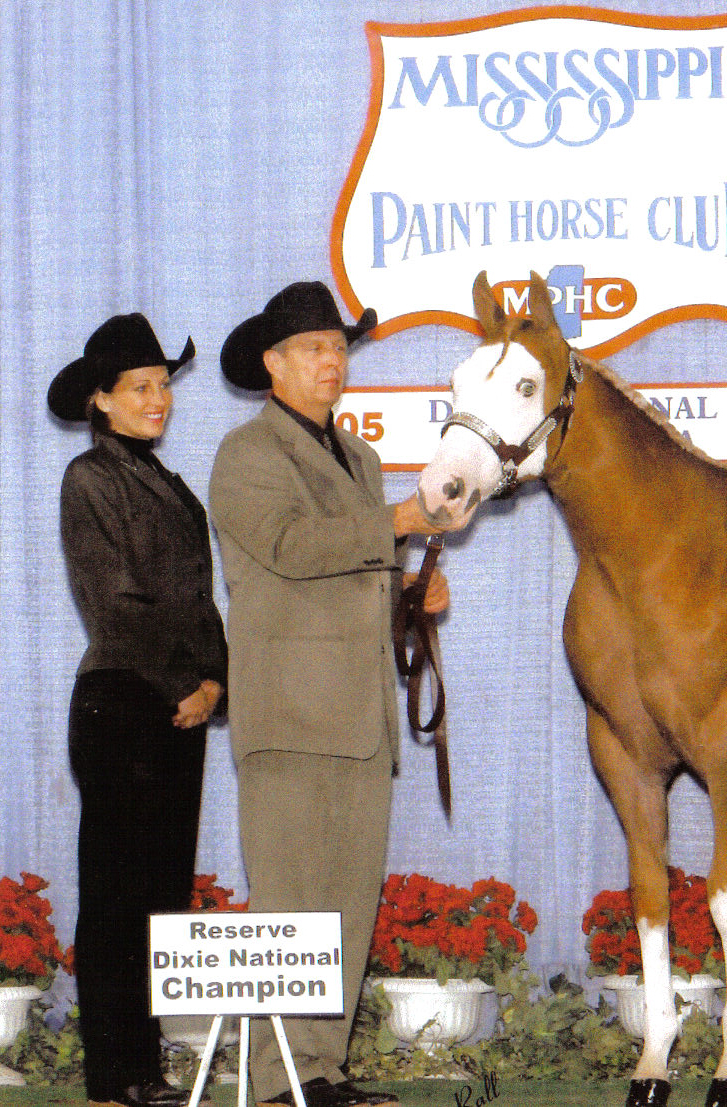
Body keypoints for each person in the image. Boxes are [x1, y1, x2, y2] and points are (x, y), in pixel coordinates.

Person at [209, 282, 451, 1107]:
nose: (331, 359)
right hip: (290, 712)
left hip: (359, 713)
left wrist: (409, 600)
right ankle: (276, 1075)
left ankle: (320, 1068)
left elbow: (351, 579)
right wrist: (393, 524)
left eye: (339, 346)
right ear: (272, 364)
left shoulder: (361, 457)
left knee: (346, 899)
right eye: (314, 347)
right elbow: (286, 547)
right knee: (290, 898)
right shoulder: (246, 453)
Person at [49, 313, 227, 1107]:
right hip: (122, 703)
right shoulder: (90, 480)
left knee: (160, 891)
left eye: (163, 386)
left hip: (177, 705)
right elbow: (114, 603)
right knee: (118, 894)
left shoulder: (170, 484)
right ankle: (112, 1073)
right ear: (102, 401)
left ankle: (143, 1068)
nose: (158, 399)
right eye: (140, 388)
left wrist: (216, 680)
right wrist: (179, 687)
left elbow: (198, 602)